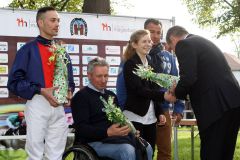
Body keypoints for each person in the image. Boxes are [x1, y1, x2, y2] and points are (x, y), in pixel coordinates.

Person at [7, 7, 75, 160]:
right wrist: (40, 90)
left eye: (58, 20)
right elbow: (13, 83)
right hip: (37, 103)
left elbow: (69, 79)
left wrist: (69, 91)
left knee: (56, 154)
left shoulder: (62, 51)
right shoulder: (27, 50)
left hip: (58, 108)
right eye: (53, 20)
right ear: (40, 23)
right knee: (35, 153)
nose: (57, 24)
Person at [166, 25, 240, 160]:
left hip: (216, 107)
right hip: (233, 102)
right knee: (225, 152)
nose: (174, 52)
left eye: (171, 48)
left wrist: (175, 92)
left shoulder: (184, 44)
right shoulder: (201, 41)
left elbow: (188, 78)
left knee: (211, 153)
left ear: (173, 39)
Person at [71, 57, 153, 160]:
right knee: (126, 150)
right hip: (91, 143)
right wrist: (107, 132)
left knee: (146, 147)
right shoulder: (81, 97)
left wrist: (129, 129)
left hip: (114, 139)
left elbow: (119, 120)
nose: (103, 80)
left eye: (106, 75)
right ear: (89, 76)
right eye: (99, 76)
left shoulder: (111, 95)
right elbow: (81, 128)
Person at [122, 29, 176, 153]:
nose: (148, 44)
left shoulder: (151, 62)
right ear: (134, 44)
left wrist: (159, 112)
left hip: (151, 118)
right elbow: (139, 90)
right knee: (138, 153)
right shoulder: (130, 64)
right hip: (135, 116)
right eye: (144, 41)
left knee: (150, 151)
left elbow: (154, 89)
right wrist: (164, 96)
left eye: (149, 41)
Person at [144, 18, 185, 160]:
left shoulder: (169, 57)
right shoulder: (137, 55)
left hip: (164, 109)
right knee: (144, 151)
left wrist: (179, 108)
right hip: (142, 109)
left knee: (165, 152)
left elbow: (177, 83)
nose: (155, 36)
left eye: (158, 32)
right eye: (151, 32)